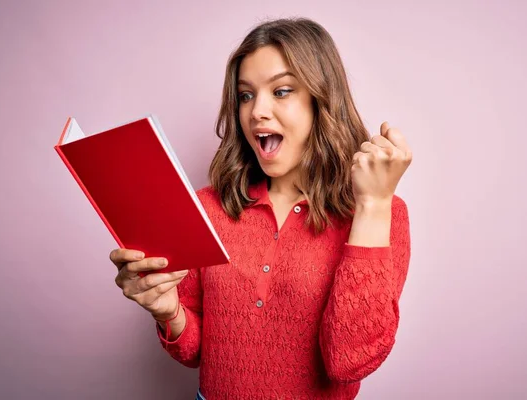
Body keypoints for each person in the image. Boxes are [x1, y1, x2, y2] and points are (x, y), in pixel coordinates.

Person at [109, 17, 412, 399]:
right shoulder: (209, 206)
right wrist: (169, 313)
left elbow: (348, 362)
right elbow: (198, 352)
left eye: (281, 91)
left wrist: (372, 202)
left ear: (322, 100)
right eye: (246, 95)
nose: (256, 112)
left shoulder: (383, 213)